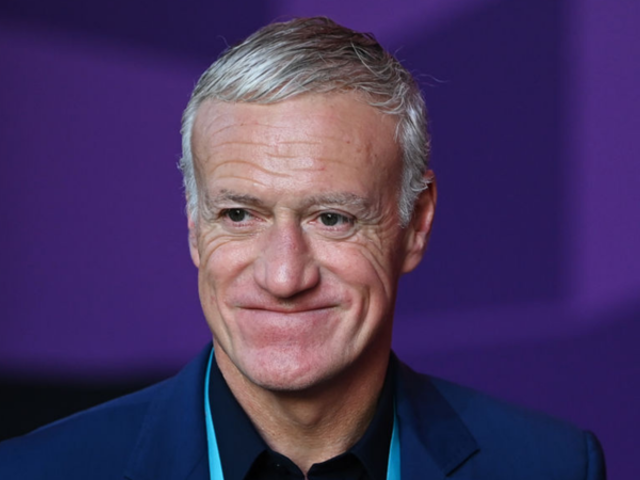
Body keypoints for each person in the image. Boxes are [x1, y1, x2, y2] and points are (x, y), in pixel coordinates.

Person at [0, 17, 605, 480]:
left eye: (332, 218)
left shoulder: (551, 467)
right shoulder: (35, 472)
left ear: (416, 222)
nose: (285, 276)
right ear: (194, 225)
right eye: (239, 215)